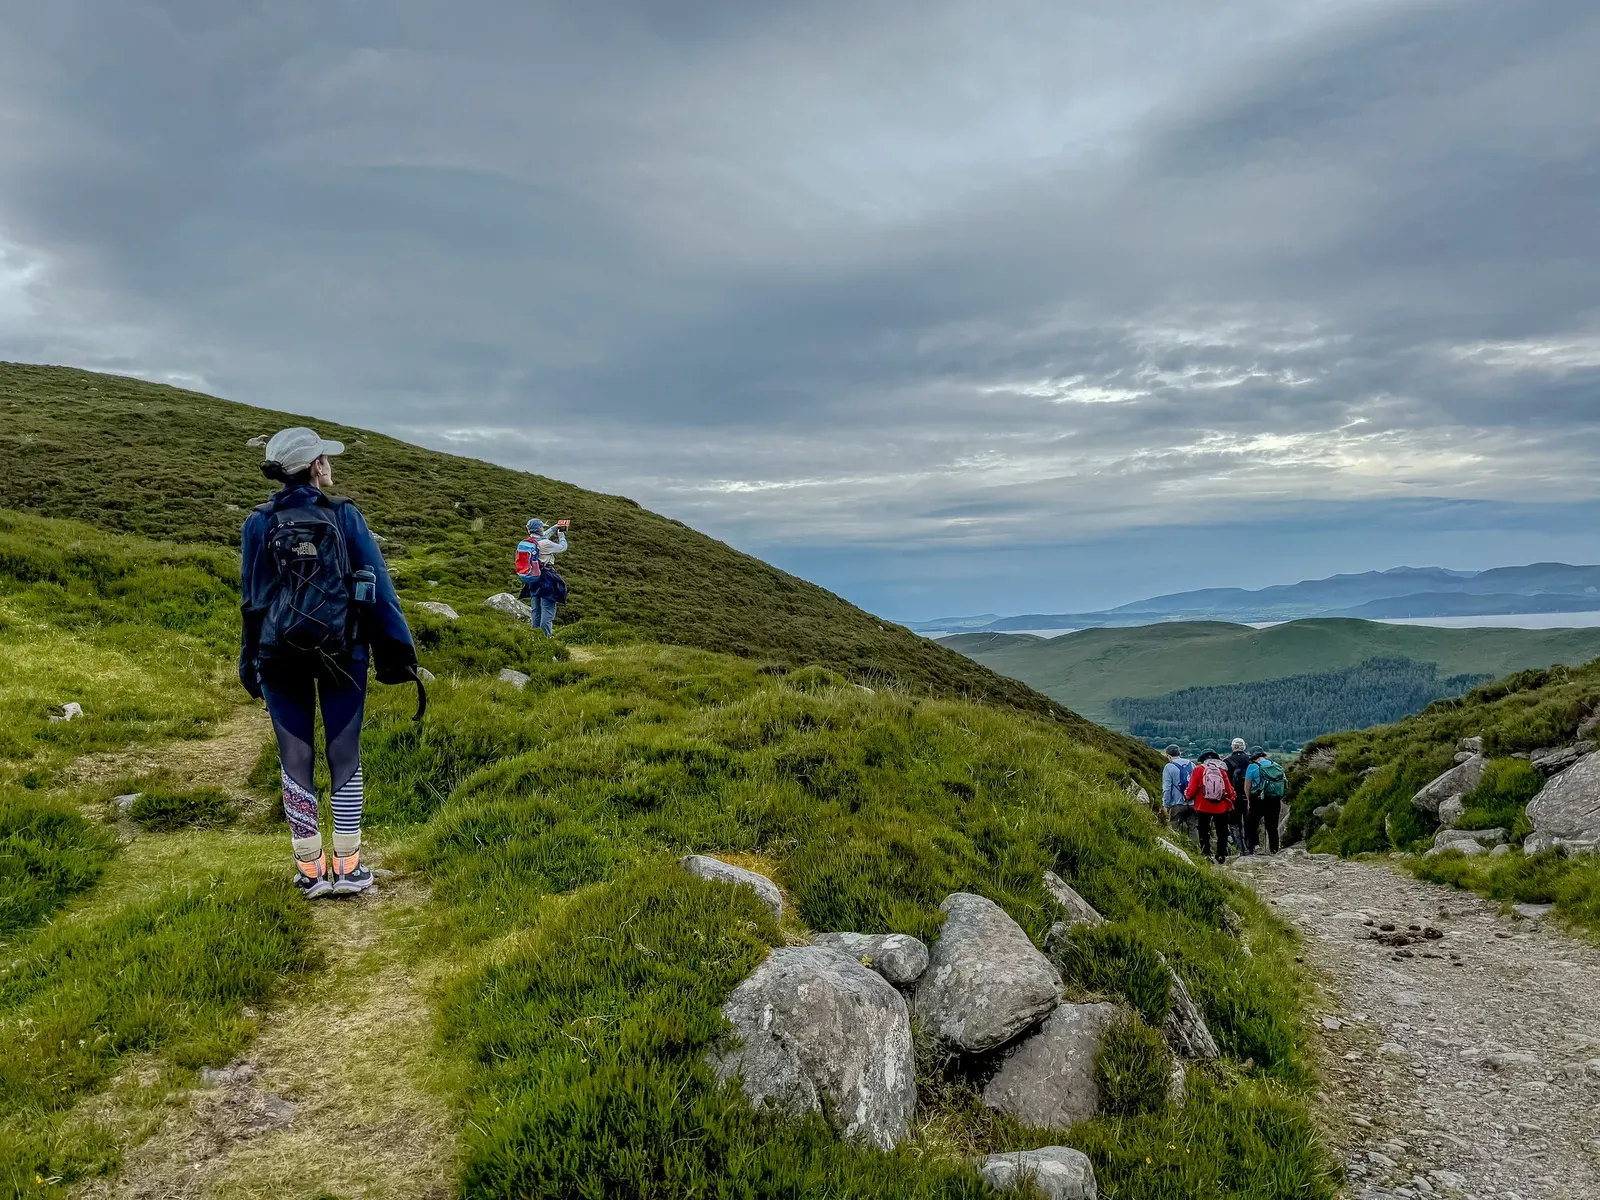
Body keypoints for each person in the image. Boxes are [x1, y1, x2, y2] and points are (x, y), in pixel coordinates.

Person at [240, 427, 418, 899]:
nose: (330, 464)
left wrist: (249, 663)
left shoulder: (258, 522)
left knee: (295, 756)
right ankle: (349, 867)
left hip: (278, 655)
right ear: (316, 466)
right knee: (344, 753)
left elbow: (252, 601)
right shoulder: (344, 515)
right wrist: (398, 654)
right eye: (326, 458)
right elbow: (378, 588)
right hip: (344, 650)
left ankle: (310, 871)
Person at [514, 518, 568, 637]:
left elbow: (544, 536)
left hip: (534, 577)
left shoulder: (528, 542)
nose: (543, 529)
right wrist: (561, 536)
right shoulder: (546, 544)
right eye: (542, 527)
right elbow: (563, 547)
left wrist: (554, 528)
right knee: (547, 608)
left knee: (536, 610)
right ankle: (546, 637)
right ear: (539, 529)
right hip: (547, 578)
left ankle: (535, 636)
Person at [1185, 749, 1237, 864]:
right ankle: (1221, 854)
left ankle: (1206, 854)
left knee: (1204, 830)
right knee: (1222, 831)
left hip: (1203, 806)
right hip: (1221, 806)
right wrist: (1232, 798)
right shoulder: (1221, 770)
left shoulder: (1198, 769)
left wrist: (1187, 795)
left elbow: (1192, 788)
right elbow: (1229, 789)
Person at [1244, 746, 1287, 854]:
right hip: (1274, 799)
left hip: (1257, 799)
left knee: (1251, 824)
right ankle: (1274, 850)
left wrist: (1249, 800)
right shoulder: (1275, 765)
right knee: (1272, 826)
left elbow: (1247, 787)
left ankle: (1255, 847)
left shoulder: (1252, 767)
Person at [1223, 737, 1255, 858]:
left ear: (1233, 747)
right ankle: (1250, 848)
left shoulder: (1227, 761)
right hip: (1249, 796)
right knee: (1249, 823)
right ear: (1244, 747)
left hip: (1233, 797)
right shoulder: (1250, 760)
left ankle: (1239, 849)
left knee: (1234, 823)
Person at [1160, 744, 1198, 845]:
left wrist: (1166, 804)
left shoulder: (1169, 767)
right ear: (1179, 753)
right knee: (1193, 828)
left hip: (1177, 803)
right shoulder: (1191, 764)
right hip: (1192, 803)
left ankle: (1177, 849)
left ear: (1168, 756)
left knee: (1174, 828)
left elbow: (1167, 788)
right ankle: (1196, 849)